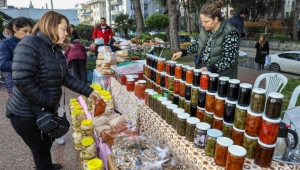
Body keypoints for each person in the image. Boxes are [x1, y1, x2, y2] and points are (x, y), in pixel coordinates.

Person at [6, 11, 100, 170]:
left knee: (45, 143)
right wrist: (49, 101)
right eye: (64, 29)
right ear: (51, 26)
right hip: (26, 113)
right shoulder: (30, 43)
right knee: (40, 149)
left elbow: (66, 77)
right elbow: (22, 79)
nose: (67, 34)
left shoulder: (55, 50)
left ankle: (46, 165)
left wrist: (88, 91)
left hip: (44, 109)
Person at [172, 0, 240, 78]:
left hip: (220, 76)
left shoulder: (230, 33)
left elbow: (228, 59)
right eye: (202, 21)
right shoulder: (205, 29)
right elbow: (198, 44)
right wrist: (182, 52)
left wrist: (209, 68)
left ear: (216, 19)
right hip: (204, 70)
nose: (203, 24)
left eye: (206, 21)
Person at [0, 17, 33, 95]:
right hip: (15, 86)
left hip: (31, 85)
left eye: (30, 32)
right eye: (25, 31)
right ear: (15, 28)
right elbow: (2, 64)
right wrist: (25, 64)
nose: (28, 34)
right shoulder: (5, 43)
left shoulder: (30, 42)